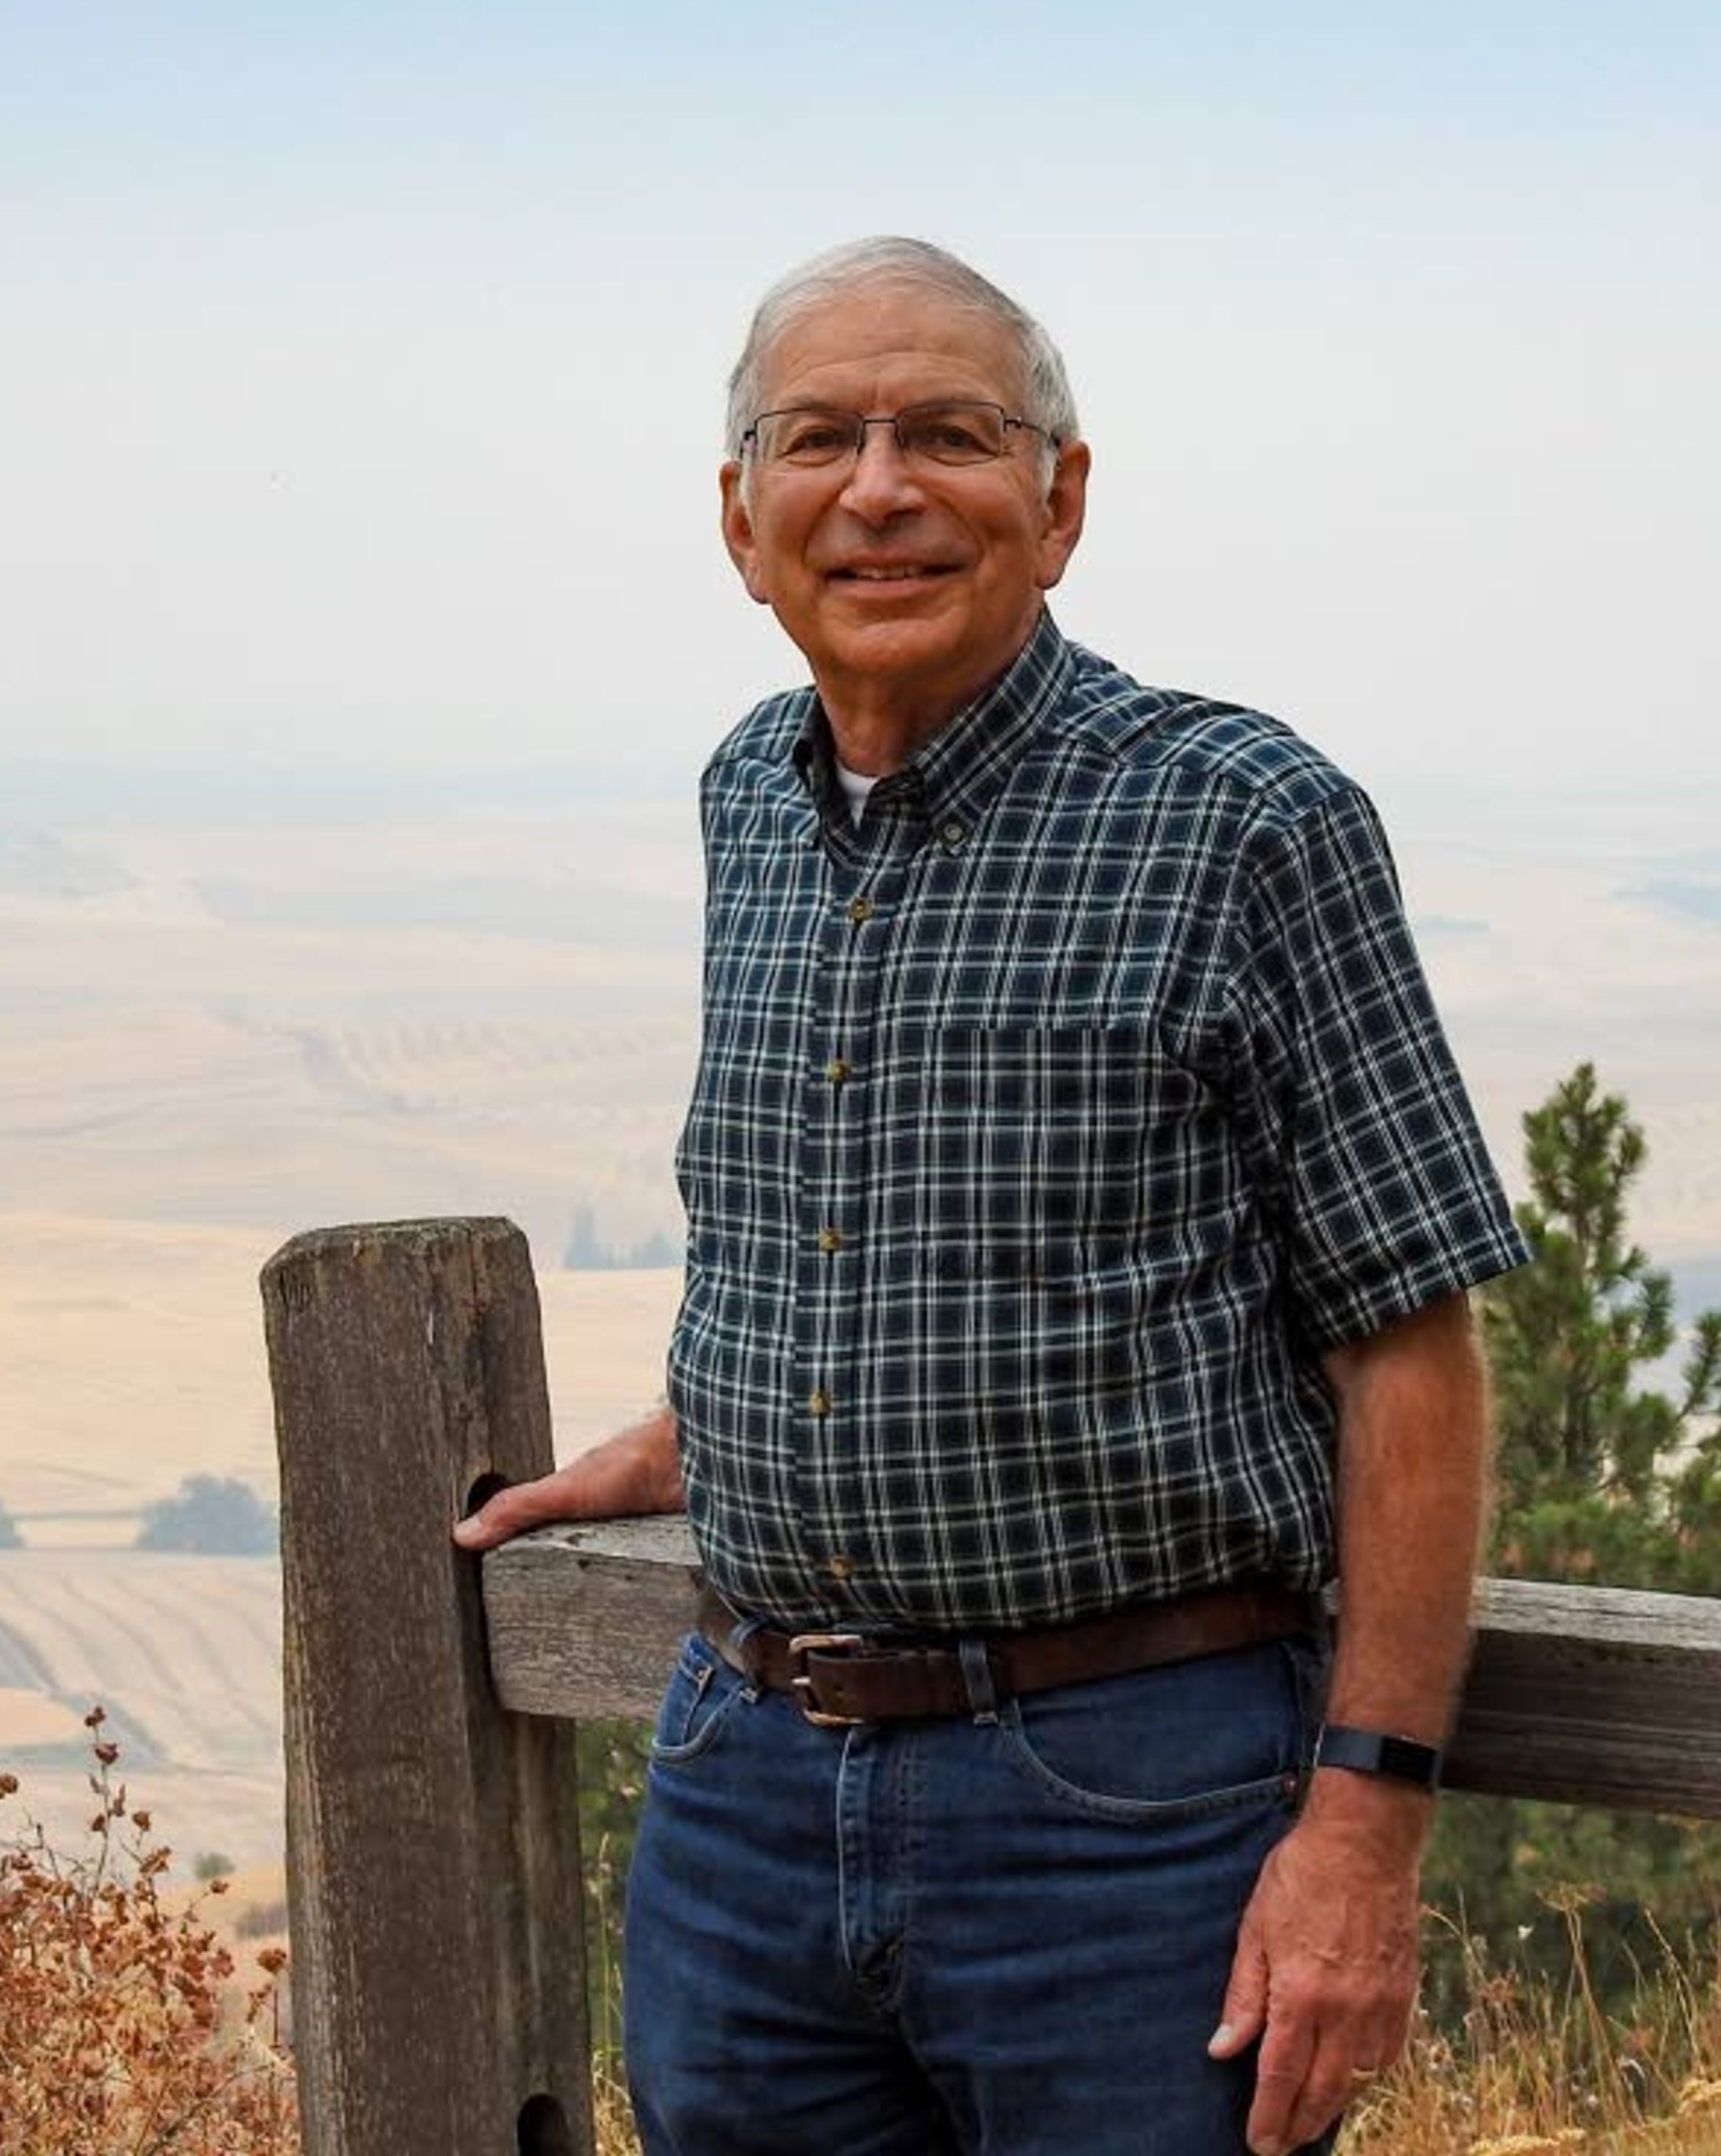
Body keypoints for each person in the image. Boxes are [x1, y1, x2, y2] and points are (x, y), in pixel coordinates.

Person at [456, 236, 1526, 2156]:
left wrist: (1364, 1818)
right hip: (746, 1786)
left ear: (1062, 495)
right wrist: (712, 1427)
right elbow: (885, 1223)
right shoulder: (750, 798)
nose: (879, 486)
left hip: (1128, 1805)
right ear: (740, 512)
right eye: (821, 438)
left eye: (948, 431)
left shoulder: (1241, 819)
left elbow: (1412, 1346)